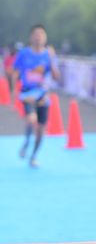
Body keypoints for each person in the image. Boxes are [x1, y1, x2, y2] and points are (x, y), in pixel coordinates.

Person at [13, 25, 60, 168]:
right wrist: (14, 91)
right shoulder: (24, 53)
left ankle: (33, 156)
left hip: (43, 95)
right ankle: (27, 141)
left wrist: (52, 59)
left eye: (41, 34)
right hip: (27, 93)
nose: (39, 37)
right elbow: (15, 72)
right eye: (36, 34)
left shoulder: (49, 55)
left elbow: (56, 77)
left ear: (45, 38)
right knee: (31, 119)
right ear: (31, 37)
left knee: (40, 130)